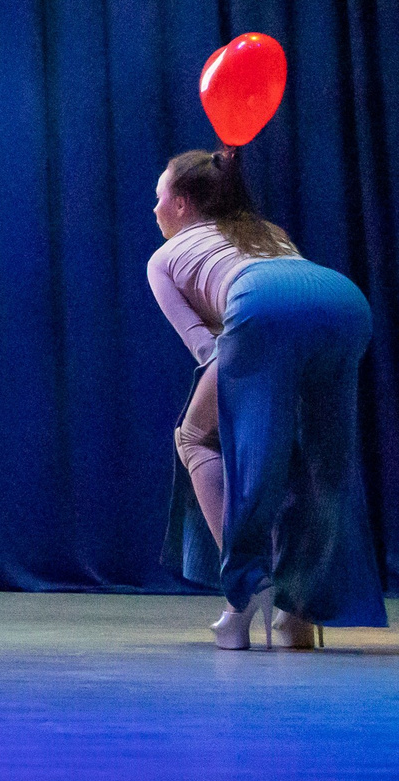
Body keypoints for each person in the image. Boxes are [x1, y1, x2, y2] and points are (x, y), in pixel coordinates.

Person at [149, 148, 384, 648]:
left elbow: (208, 349)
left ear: (184, 205)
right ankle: (299, 611)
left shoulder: (164, 258)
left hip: (264, 302)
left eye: (159, 198)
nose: (154, 210)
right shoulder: (267, 231)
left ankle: (246, 589)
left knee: (196, 436)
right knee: (319, 460)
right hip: (344, 301)